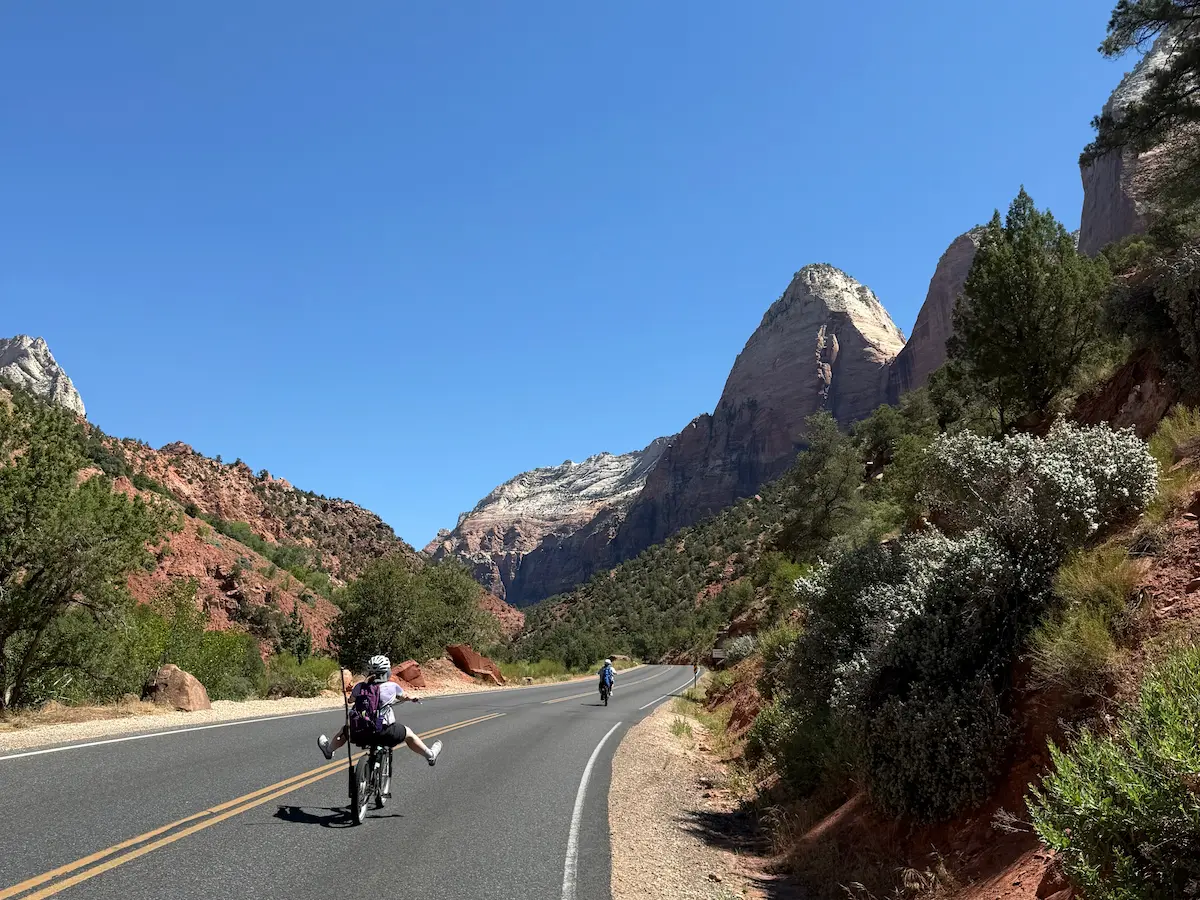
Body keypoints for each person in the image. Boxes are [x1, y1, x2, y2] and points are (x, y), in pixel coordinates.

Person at [318, 654, 442, 766]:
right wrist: (412, 698)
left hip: (359, 732)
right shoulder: (392, 687)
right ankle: (430, 755)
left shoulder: (360, 687)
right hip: (385, 732)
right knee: (409, 734)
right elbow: (404, 696)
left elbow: (350, 700)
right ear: (386, 672)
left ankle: (329, 750)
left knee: (345, 730)